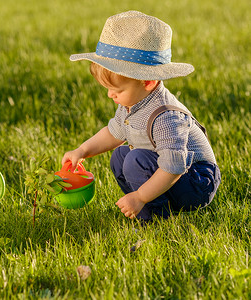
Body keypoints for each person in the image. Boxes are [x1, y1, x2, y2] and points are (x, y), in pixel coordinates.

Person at [61, 11, 221, 221]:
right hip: (170, 170)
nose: (110, 95)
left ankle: (155, 217)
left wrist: (140, 195)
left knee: (136, 159)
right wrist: (82, 151)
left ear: (148, 82)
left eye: (117, 90)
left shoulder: (166, 116)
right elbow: (113, 133)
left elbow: (174, 168)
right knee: (120, 156)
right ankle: (146, 209)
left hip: (195, 180)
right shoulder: (132, 103)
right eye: (107, 89)